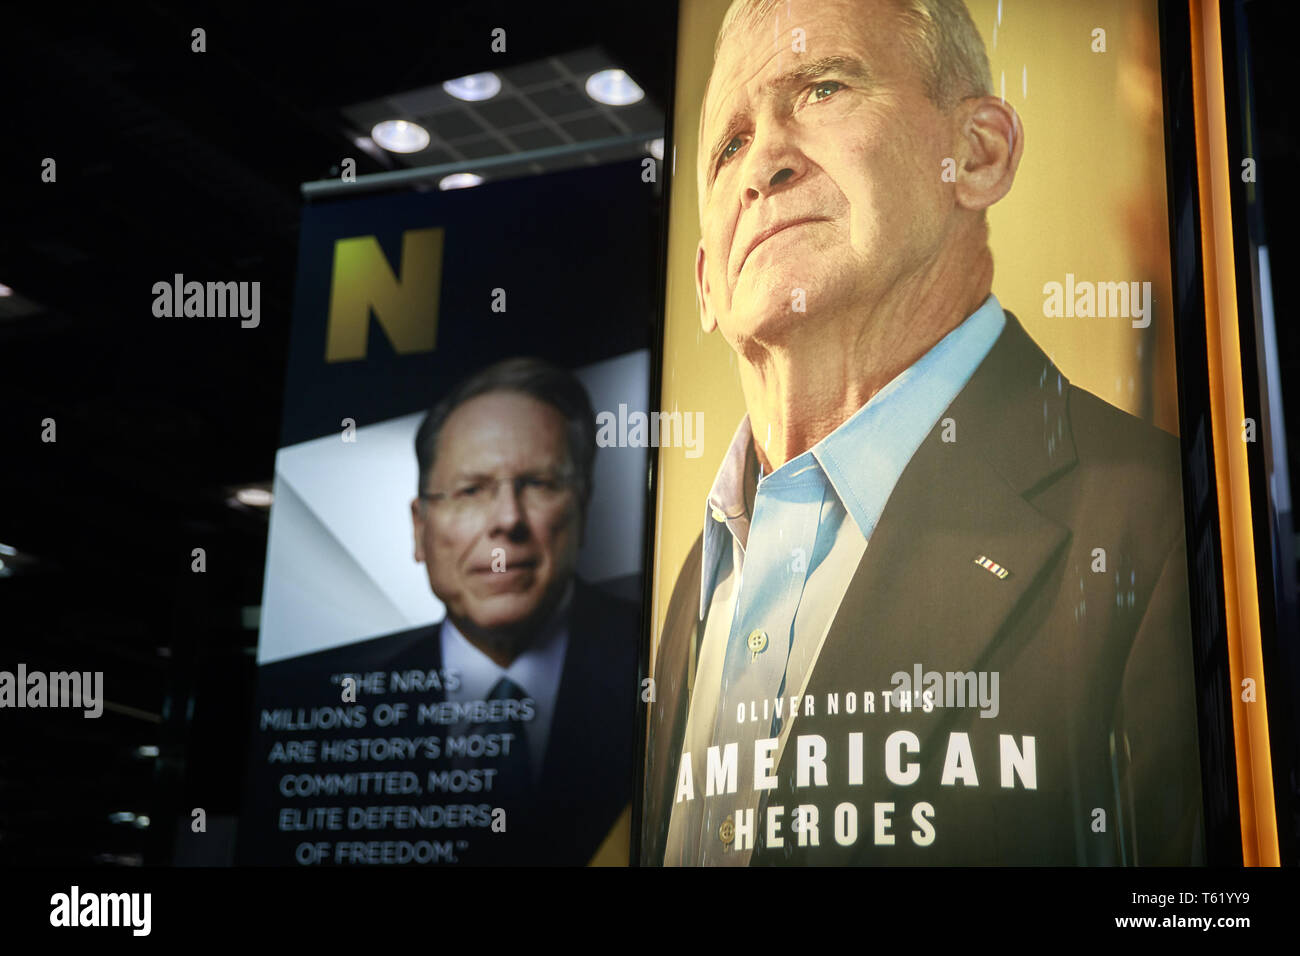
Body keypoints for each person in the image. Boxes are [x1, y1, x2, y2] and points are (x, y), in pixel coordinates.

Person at [643, 0, 1204, 865]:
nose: (762, 165)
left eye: (823, 88)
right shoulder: (692, 584)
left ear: (977, 155)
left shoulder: (1159, 521)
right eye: (728, 145)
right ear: (707, 283)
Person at [252, 357, 638, 866]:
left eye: (539, 484)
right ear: (420, 527)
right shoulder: (346, 718)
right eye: (471, 490)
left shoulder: (661, 663)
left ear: (583, 507)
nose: (507, 520)